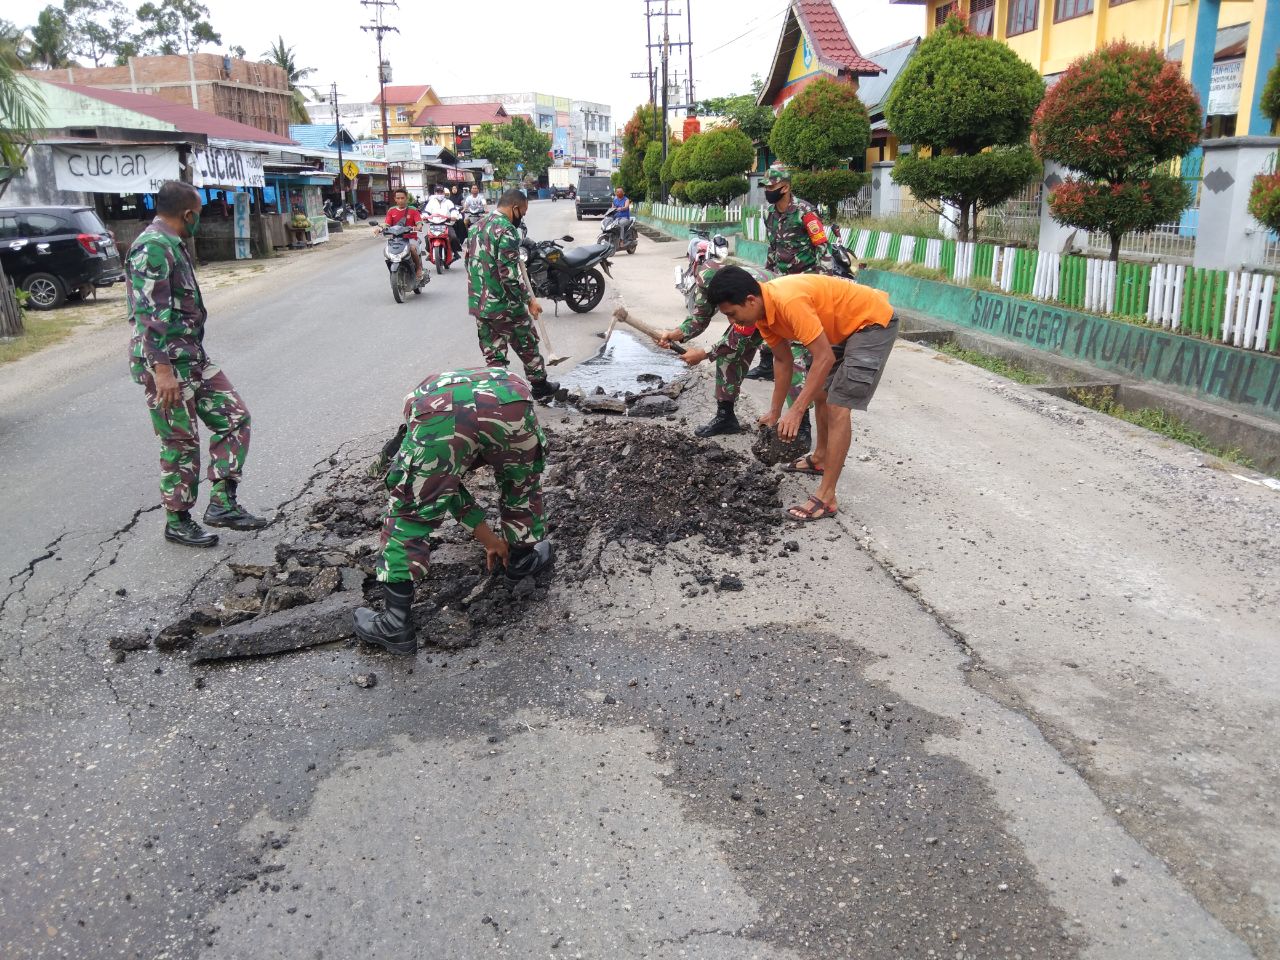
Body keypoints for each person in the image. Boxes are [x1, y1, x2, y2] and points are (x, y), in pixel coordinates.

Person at [354, 367, 554, 655]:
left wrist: (486, 537)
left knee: (410, 510)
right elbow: (461, 487)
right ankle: (522, 559)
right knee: (520, 482)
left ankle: (395, 624)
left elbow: (443, 490)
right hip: (511, 401)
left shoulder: (418, 415)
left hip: (440, 415)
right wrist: (491, 540)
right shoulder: (496, 376)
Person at [125, 180, 267, 547]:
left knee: (235, 417)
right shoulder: (152, 248)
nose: (199, 220)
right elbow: (148, 316)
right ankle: (178, 519)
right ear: (188, 214)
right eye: (199, 214)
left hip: (191, 358)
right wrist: (162, 372)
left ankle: (222, 501)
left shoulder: (172, 245)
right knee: (180, 442)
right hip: (166, 365)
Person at [706, 266, 898, 523]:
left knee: (838, 405)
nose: (733, 321)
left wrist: (796, 411)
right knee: (819, 393)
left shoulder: (788, 302)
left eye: (732, 314)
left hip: (871, 323)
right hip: (843, 326)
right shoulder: (762, 315)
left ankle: (827, 497)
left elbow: (824, 357)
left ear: (750, 300)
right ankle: (820, 458)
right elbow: (783, 361)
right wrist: (775, 411)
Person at [657, 254, 812, 445]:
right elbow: (699, 318)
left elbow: (738, 334)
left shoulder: (744, 293)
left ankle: (801, 425)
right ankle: (726, 417)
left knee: (793, 359)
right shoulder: (707, 284)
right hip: (754, 315)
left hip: (782, 313)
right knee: (729, 356)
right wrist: (675, 334)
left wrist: (704, 353)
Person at [465, 188, 559, 398]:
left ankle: (499, 396)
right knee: (527, 342)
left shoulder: (476, 227)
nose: (521, 218)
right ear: (514, 208)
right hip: (504, 305)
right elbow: (509, 275)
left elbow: (468, 263)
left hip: (480, 305)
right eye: (522, 213)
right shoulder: (506, 230)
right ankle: (540, 387)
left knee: (494, 353)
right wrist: (529, 301)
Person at [747, 163, 833, 382]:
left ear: (785, 187)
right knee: (769, 320)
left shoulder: (805, 212)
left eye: (771, 186)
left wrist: (823, 282)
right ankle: (767, 365)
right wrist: (767, 276)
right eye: (766, 186)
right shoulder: (770, 214)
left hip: (804, 279)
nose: (767, 191)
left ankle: (807, 369)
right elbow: (773, 246)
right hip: (778, 279)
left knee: (800, 328)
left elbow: (822, 246)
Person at [373, 188, 424, 280]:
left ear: (406, 198)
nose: (400, 200)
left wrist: (418, 226)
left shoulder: (413, 210)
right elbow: (386, 224)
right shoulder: (391, 211)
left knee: (412, 249)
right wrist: (379, 229)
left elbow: (419, 222)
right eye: (398, 198)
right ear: (395, 199)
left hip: (411, 238)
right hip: (396, 239)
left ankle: (419, 268)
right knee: (387, 251)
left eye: (402, 198)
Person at [424, 184, 462, 254]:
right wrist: (424, 217)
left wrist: (453, 216)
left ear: (444, 193)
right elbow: (426, 211)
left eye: (441, 192)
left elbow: (453, 210)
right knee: (427, 238)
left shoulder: (448, 202)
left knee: (453, 237)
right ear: (435, 193)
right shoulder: (431, 202)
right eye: (437, 192)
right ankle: (430, 253)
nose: (439, 193)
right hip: (433, 224)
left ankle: (455, 252)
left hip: (446, 224)